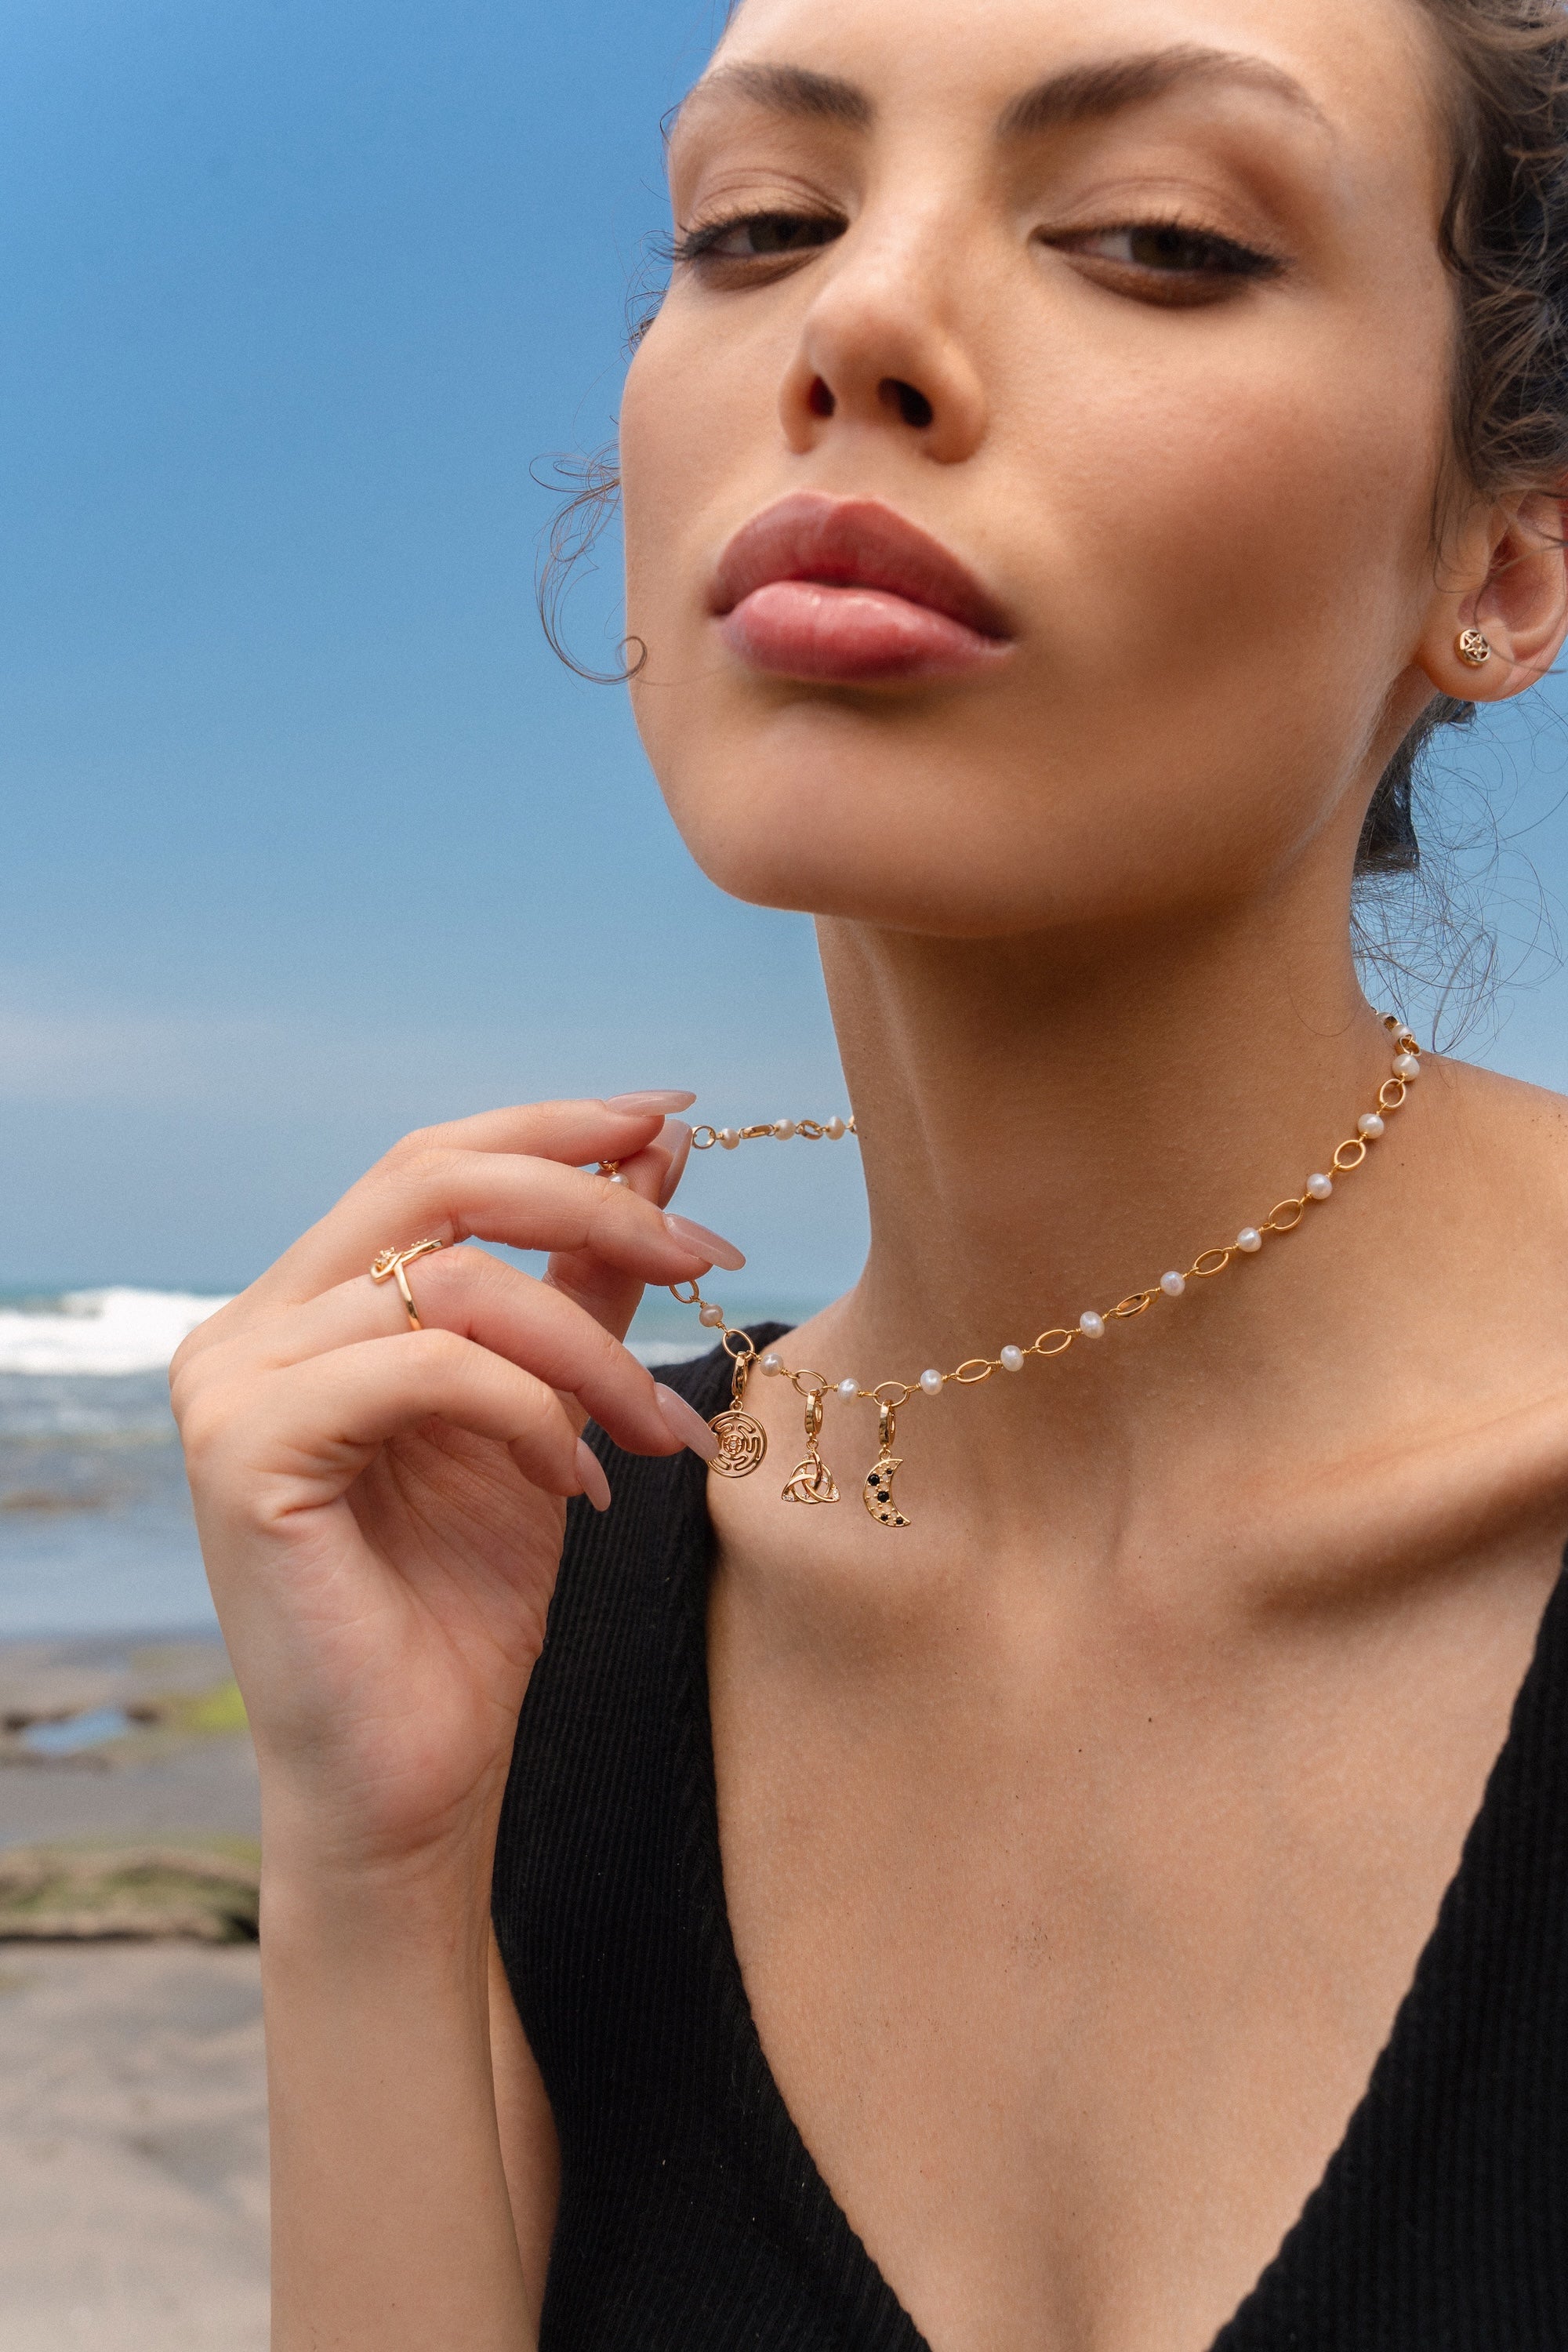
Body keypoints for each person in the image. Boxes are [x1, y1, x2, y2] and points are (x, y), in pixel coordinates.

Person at [172, 0, 1568, 2345]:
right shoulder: (540, 1607)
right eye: (760, 224)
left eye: (1154, 237)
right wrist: (371, 1868)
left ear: (1511, 567)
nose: (860, 323)